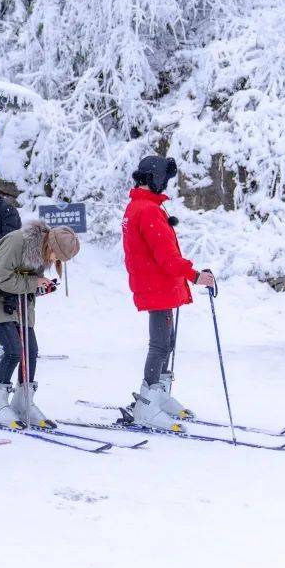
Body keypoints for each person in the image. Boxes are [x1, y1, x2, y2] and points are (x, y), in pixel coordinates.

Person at [122, 155, 216, 431]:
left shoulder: (139, 206)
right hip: (157, 284)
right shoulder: (147, 210)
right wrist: (196, 276)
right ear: (155, 178)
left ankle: (158, 394)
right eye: (165, 179)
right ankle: (148, 403)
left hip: (155, 283)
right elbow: (167, 257)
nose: (166, 185)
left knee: (167, 342)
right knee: (161, 344)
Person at [0, 221, 80, 428]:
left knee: (31, 351)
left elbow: (28, 281)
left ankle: (23, 401)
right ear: (52, 245)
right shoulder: (17, 242)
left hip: (20, 305)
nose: (56, 260)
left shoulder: (41, 251)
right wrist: (33, 283)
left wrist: (41, 286)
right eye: (57, 256)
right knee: (13, 351)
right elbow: (1, 277)